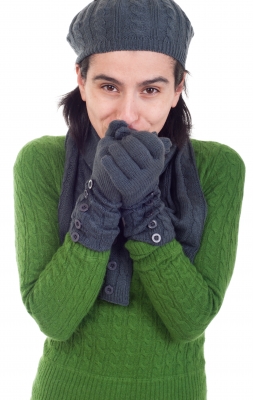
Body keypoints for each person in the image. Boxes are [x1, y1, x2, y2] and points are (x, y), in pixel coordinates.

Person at [13, 0, 245, 399]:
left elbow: (190, 320)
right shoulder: (41, 161)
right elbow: (54, 318)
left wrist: (141, 204)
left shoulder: (219, 169)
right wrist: (101, 198)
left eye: (151, 89)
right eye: (108, 87)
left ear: (178, 90)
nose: (128, 115)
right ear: (81, 81)